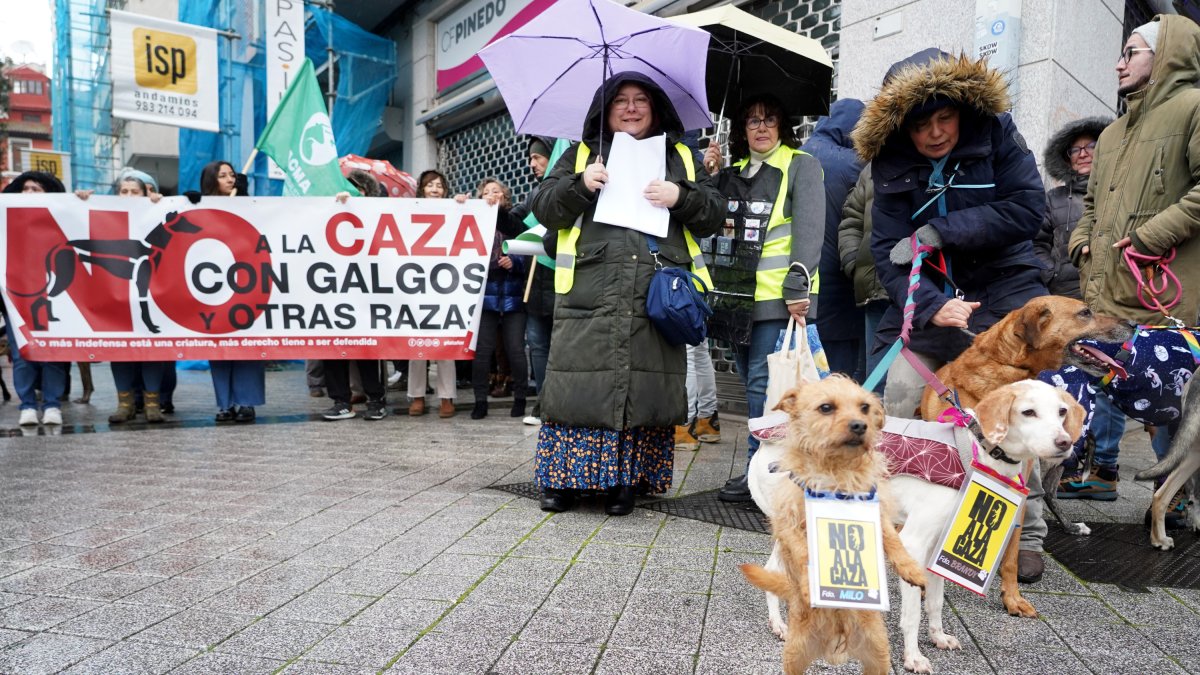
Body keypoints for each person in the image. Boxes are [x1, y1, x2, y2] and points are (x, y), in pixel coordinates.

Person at [853, 50, 1050, 581]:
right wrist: (933, 307)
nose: (935, 134)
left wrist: (945, 230)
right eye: (922, 125)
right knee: (892, 395)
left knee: (1014, 412)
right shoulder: (889, 163)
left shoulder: (1000, 136)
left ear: (964, 111)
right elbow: (886, 253)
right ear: (903, 128)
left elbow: (1030, 209)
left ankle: (1023, 536)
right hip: (931, 298)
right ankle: (888, 518)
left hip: (1003, 286)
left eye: (945, 119)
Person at [531, 71, 724, 515]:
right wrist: (580, 185)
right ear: (605, 107)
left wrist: (681, 195)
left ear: (656, 108)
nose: (632, 108)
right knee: (577, 383)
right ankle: (561, 480)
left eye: (641, 100)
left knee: (642, 382)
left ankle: (625, 481)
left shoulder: (680, 156)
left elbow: (712, 214)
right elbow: (544, 207)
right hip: (589, 287)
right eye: (621, 100)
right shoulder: (581, 152)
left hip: (654, 287)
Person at [1069, 16, 1200, 523]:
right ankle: (1099, 471)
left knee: (1175, 402)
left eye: (1133, 52)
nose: (1120, 62)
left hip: (1167, 294)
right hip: (1108, 291)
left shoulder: (1192, 107)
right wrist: (1081, 241)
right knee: (1100, 382)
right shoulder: (1114, 131)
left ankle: (1176, 496)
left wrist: (1150, 235)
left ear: (1165, 55)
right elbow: (1092, 205)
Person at [699, 92, 825, 503]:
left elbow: (809, 228)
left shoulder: (800, 164)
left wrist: (798, 284)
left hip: (778, 298)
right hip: (736, 299)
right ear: (741, 130)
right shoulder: (731, 171)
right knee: (754, 383)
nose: (761, 127)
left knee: (760, 384)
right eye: (752, 121)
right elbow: (707, 219)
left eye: (769, 119)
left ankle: (760, 473)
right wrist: (709, 176)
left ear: (782, 126)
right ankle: (778, 467)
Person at [1033, 116, 1123, 499]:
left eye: (1091, 147)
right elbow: (1035, 244)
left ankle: (1104, 468)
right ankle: (1064, 466)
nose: (1084, 154)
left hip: (1107, 302)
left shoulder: (1118, 194)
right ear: (1066, 158)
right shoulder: (1052, 200)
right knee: (1064, 386)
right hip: (1065, 309)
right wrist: (1052, 271)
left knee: (1108, 384)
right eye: (1076, 149)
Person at [801, 98, 867, 381]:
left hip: (798, 284)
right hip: (840, 288)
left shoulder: (794, 156)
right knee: (840, 375)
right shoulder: (857, 165)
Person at [198, 160, 266, 423]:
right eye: (222, 175)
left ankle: (246, 402)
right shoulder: (198, 207)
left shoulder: (246, 203)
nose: (229, 179)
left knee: (247, 345)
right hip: (211, 286)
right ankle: (224, 404)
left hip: (246, 284)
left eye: (232, 175)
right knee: (219, 347)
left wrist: (244, 198)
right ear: (210, 181)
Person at [103, 173, 173, 424]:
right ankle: (125, 405)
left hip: (149, 291)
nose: (130, 196)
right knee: (120, 350)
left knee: (152, 348)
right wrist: (82, 201)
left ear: (146, 194)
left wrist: (161, 203)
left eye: (136, 191)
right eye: (124, 191)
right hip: (116, 293)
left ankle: (152, 405)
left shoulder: (155, 213)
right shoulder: (106, 214)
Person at [2, 171, 71, 426]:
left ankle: (52, 405)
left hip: (55, 296)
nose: (29, 193)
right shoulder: (5, 220)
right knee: (22, 354)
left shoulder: (61, 220)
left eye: (36, 189)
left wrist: (82, 201)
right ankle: (28, 405)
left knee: (52, 352)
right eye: (26, 188)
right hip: (16, 299)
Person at [322, 170, 389, 422]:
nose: (353, 194)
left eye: (358, 189)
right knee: (332, 347)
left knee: (365, 349)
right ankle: (340, 401)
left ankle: (375, 400)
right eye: (349, 189)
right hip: (333, 291)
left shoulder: (375, 213)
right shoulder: (329, 213)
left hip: (364, 293)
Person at [461, 178, 528, 420]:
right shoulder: (474, 222)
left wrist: (515, 263)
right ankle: (480, 401)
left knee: (515, 349)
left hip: (513, 295)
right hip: (484, 296)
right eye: (486, 192)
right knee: (482, 351)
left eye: (496, 191)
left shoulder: (515, 222)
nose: (491, 194)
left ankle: (520, 399)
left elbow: (530, 256)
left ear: (504, 197)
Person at [404, 170, 459, 418]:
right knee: (417, 347)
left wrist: (463, 205)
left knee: (445, 345)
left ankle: (446, 398)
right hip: (416, 287)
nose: (435, 189)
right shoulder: (408, 213)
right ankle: (417, 397)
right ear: (422, 189)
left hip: (445, 286)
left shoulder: (454, 211)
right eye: (430, 185)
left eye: (439, 185)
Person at [838, 165, 889, 393]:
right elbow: (852, 218)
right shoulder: (872, 169)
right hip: (877, 292)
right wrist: (854, 262)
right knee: (877, 385)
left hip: (928, 296)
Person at [522, 136, 557, 426]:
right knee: (537, 345)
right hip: (536, 288)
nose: (532, 163)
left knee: (558, 346)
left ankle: (556, 402)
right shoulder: (534, 195)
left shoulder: (564, 191)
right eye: (531, 159)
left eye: (537, 157)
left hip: (563, 284)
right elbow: (514, 221)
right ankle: (542, 403)